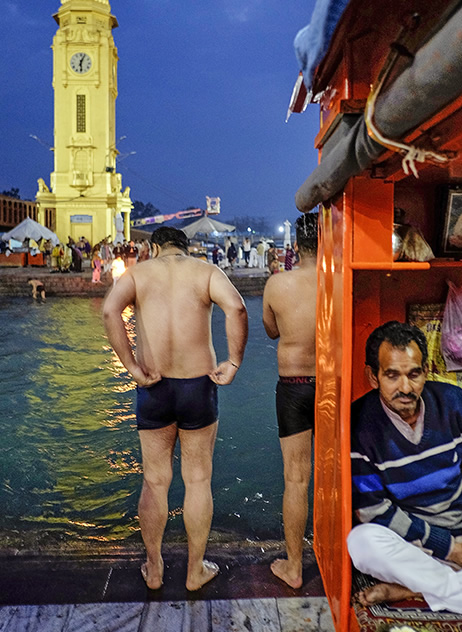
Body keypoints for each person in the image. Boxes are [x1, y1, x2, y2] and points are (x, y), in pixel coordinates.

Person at [102, 226, 248, 592]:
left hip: (154, 384)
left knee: (154, 481)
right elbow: (237, 308)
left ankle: (154, 569)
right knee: (197, 479)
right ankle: (195, 570)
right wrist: (233, 362)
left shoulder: (139, 273)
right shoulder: (205, 271)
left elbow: (109, 311)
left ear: (154, 247)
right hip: (198, 384)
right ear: (186, 248)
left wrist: (132, 367)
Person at [348, 320, 462, 617]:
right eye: (392, 376)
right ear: (372, 377)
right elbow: (374, 510)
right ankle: (455, 584)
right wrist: (451, 550)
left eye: (414, 374)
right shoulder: (360, 424)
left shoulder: (452, 402)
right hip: (415, 548)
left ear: (427, 370)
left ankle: (417, 591)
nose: (405, 387)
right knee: (362, 543)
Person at [262, 212, 318, 588]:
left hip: (294, 384)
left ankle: (294, 567)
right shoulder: (340, 280)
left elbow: (271, 330)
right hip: (333, 384)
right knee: (338, 474)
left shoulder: (277, 284)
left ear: (296, 246)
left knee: (296, 479)